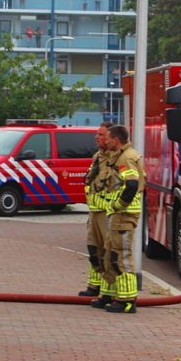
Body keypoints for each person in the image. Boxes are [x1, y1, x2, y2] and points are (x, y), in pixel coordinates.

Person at [90, 124, 145, 314]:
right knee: (109, 255)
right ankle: (111, 296)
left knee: (121, 256)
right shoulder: (116, 156)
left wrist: (118, 206)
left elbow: (131, 185)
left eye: (108, 138)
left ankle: (128, 300)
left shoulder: (127, 157)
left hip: (123, 214)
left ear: (116, 140)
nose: (105, 140)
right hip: (116, 214)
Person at [77, 121, 114, 298]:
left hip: (109, 213)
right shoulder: (97, 157)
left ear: (110, 138)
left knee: (108, 253)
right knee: (94, 251)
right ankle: (94, 286)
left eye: (100, 134)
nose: (96, 137)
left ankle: (107, 290)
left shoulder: (119, 159)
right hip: (95, 211)